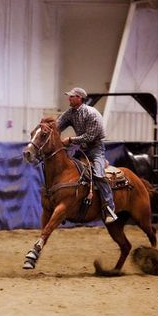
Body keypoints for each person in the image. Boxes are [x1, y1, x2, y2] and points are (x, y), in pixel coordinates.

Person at [57, 87, 118, 224]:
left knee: (98, 174)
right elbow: (57, 125)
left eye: (72, 96)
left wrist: (70, 140)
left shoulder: (92, 114)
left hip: (96, 148)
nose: (69, 98)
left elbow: (90, 137)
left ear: (79, 98)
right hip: (81, 148)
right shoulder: (70, 113)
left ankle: (109, 208)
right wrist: (47, 129)